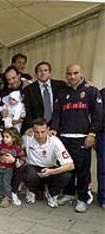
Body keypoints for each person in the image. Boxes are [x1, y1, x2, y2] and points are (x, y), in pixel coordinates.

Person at [51, 63, 102, 213]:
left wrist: (92, 134)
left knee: (82, 170)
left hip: (82, 138)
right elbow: (56, 115)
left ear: (81, 73)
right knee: (67, 168)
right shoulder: (62, 93)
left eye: (75, 73)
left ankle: (83, 198)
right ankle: (68, 194)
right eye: (69, 74)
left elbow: (98, 115)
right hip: (64, 138)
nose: (72, 76)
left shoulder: (91, 91)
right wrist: (54, 130)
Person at [23, 118, 74, 208]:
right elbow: (13, 142)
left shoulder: (55, 141)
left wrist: (51, 171)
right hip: (33, 169)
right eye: (37, 132)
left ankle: (52, 194)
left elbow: (70, 165)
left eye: (43, 131)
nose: (40, 135)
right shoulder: (27, 138)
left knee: (67, 175)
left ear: (48, 130)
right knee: (28, 172)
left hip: (50, 169)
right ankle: (32, 190)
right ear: (32, 130)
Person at [23, 61, 66, 134]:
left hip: (58, 127)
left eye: (45, 70)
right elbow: (28, 110)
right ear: (36, 74)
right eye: (40, 71)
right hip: (38, 128)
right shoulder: (29, 89)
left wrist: (85, 83)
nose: (43, 73)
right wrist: (30, 127)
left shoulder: (60, 85)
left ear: (50, 73)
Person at [0, 128, 25, 208]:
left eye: (7, 137)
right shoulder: (1, 146)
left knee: (6, 182)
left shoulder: (17, 148)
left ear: (14, 138)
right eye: (3, 137)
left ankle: (7, 197)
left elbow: (22, 158)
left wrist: (18, 163)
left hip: (8, 169)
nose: (4, 139)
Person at [97, 88, 105, 209]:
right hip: (103, 134)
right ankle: (103, 197)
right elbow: (97, 114)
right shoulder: (102, 93)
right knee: (103, 168)